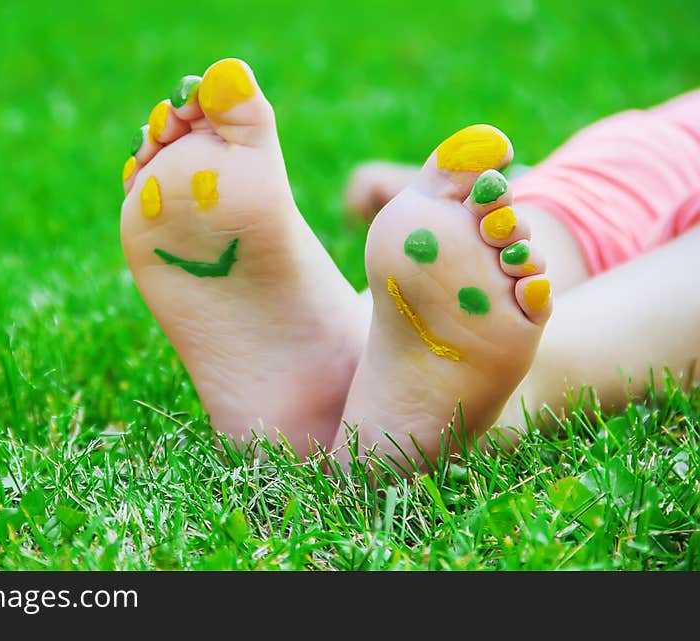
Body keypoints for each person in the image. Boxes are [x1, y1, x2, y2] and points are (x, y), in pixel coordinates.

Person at [119, 58, 700, 472]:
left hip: (653, 150)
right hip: (657, 150)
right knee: (515, 249)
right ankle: (376, 381)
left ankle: (362, 370)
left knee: (563, 217)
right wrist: (442, 203)